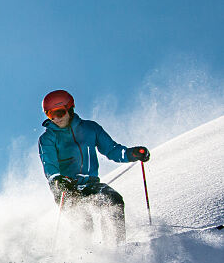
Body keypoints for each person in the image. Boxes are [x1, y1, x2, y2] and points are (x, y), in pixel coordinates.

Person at [38, 89, 149, 244]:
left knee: (113, 200)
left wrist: (131, 154)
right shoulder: (48, 138)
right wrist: (57, 180)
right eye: (51, 115)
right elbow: (49, 163)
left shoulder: (90, 129)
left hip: (91, 184)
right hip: (66, 188)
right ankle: (84, 258)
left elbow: (112, 149)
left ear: (70, 108)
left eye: (60, 113)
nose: (56, 119)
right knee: (84, 223)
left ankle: (116, 248)